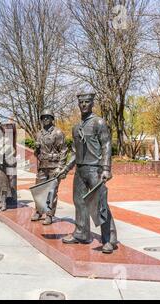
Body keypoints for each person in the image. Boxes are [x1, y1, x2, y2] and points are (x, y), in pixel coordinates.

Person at [58, 93, 118, 254]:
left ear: (92, 103)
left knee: (100, 205)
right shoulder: (76, 127)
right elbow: (74, 152)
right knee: (79, 202)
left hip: (95, 170)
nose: (84, 105)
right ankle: (82, 233)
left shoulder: (99, 122)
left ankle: (110, 239)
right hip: (80, 170)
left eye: (87, 102)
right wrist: (66, 169)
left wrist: (106, 168)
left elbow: (106, 145)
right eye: (81, 102)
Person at [32, 108, 68, 225]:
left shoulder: (58, 133)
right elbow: (36, 154)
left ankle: (49, 215)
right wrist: (36, 148)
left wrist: (60, 168)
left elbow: (63, 151)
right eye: (43, 117)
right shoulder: (38, 134)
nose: (45, 119)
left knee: (52, 192)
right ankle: (39, 211)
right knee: (39, 190)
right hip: (43, 166)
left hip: (54, 166)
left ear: (52, 119)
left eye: (48, 117)